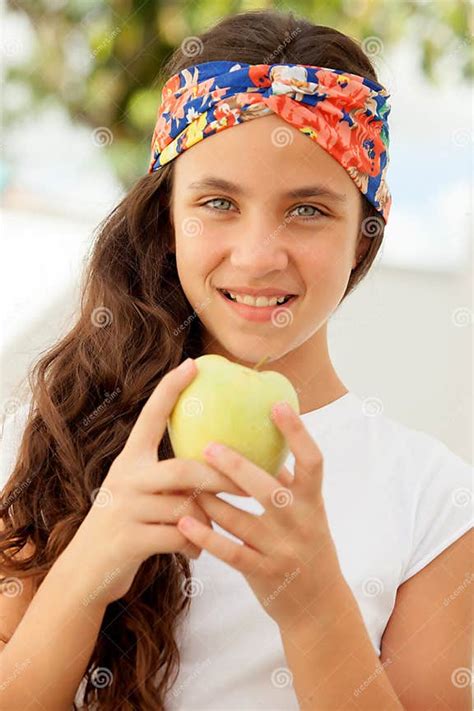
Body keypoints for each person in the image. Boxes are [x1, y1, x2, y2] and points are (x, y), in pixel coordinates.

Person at [0, 9, 472, 711]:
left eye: (307, 210)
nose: (257, 256)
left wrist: (315, 608)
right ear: (167, 217)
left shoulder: (435, 501)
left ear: (368, 232)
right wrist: (91, 562)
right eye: (218, 201)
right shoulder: (57, 431)